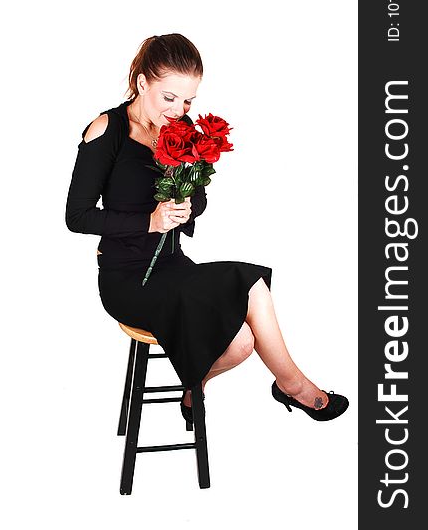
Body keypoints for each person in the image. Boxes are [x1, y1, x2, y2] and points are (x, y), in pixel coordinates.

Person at [65, 33, 349, 424]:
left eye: (187, 101)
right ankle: (293, 386)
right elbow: (76, 216)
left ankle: (193, 389)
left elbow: (198, 200)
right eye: (169, 97)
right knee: (251, 284)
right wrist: (150, 220)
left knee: (244, 343)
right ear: (143, 83)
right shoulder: (106, 129)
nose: (179, 110)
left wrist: (186, 206)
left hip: (173, 266)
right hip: (127, 280)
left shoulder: (178, 132)